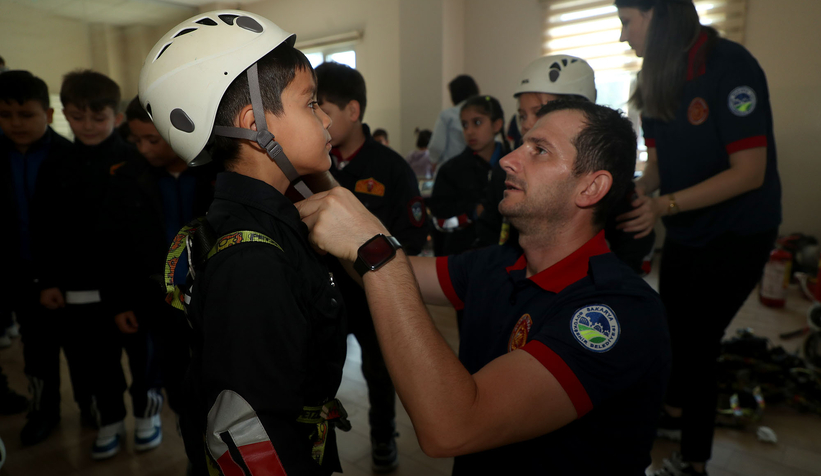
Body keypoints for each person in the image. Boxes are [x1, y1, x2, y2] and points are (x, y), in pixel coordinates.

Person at [296, 99, 671, 474]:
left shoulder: (619, 312)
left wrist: (376, 250)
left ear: (591, 188)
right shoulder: (497, 264)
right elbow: (382, 268)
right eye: (522, 143)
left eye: (539, 150)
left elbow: (451, 427)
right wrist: (318, 175)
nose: (509, 159)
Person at [139, 11, 349, 475]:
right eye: (311, 104)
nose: (326, 118)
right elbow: (251, 431)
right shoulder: (252, 260)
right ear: (256, 125)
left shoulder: (264, 219)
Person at [614, 1, 782, 475]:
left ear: (658, 14)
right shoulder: (655, 77)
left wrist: (663, 205)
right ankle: (673, 415)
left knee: (699, 342)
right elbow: (659, 162)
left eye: (627, 21)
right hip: (689, 230)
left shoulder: (730, 67)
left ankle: (694, 461)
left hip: (740, 231)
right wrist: (639, 189)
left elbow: (749, 173)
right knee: (673, 330)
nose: (622, 36)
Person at [315, 60, 428, 471]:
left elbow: (413, 236)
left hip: (371, 296)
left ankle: (383, 437)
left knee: (380, 372)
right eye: (311, 109)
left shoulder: (391, 168)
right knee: (318, 372)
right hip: (324, 296)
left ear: (353, 110)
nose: (318, 120)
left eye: (323, 109)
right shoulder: (312, 164)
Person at [30, 70, 148, 458]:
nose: (88, 126)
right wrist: (48, 280)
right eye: (78, 117)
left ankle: (148, 415)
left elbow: (144, 232)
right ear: (63, 113)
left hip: (131, 288)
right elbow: (43, 228)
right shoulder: (55, 164)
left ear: (115, 117)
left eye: (98, 118)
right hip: (79, 287)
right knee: (98, 365)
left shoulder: (135, 161)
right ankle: (110, 421)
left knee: (142, 360)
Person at [99, 96, 219, 452]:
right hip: (159, 302)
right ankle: (195, 451)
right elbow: (112, 247)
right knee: (177, 380)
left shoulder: (217, 174)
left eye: (153, 139)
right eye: (136, 140)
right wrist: (119, 302)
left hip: (214, 300)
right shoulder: (126, 177)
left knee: (219, 379)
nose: (143, 148)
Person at [475, 55, 655, 278]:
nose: (528, 125)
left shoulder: (614, 190)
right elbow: (488, 239)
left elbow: (630, 258)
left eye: (541, 112)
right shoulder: (507, 172)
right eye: (522, 116)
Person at [0, 70, 61, 421]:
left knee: (84, 353)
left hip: (68, 273)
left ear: (48, 114)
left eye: (26, 114)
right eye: (5, 115)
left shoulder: (68, 155)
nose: (16, 124)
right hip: (20, 272)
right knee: (36, 350)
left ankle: (95, 411)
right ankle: (44, 411)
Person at [429, 95, 508, 257]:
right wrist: (472, 211)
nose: (469, 131)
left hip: (507, 256)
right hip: (462, 256)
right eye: (464, 125)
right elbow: (440, 216)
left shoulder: (513, 165)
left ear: (497, 125)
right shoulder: (450, 170)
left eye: (477, 123)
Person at [428, 74, 479, 166]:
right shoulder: (483, 114)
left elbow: (436, 146)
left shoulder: (448, 115)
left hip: (450, 168)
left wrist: (433, 161)